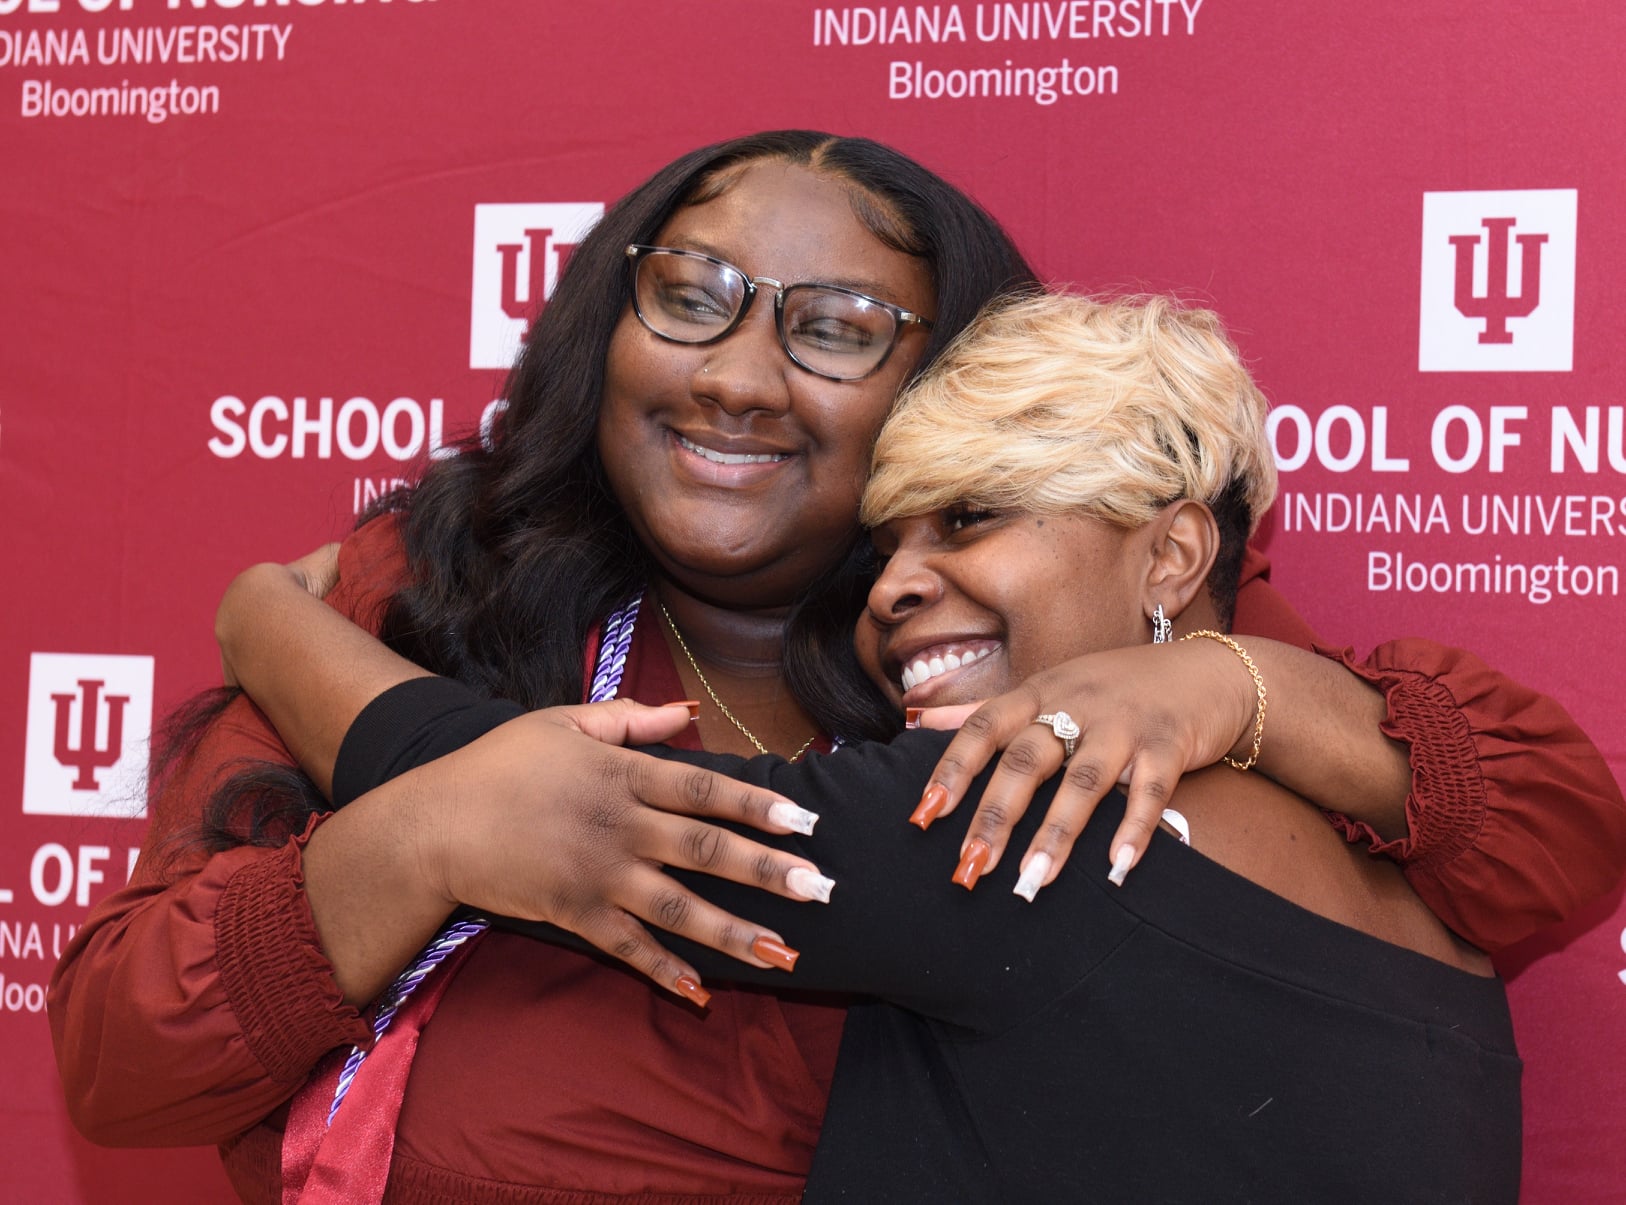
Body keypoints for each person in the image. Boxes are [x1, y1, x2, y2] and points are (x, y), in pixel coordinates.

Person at [48, 131, 1621, 1202]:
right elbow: (121, 1059)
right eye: (691, 299)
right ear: (608, 321)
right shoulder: (418, 594)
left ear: (952, 385)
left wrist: (1236, 689)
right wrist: (402, 839)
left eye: (840, 328)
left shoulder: (1051, 654)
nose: (737, 375)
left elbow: (1546, 837)